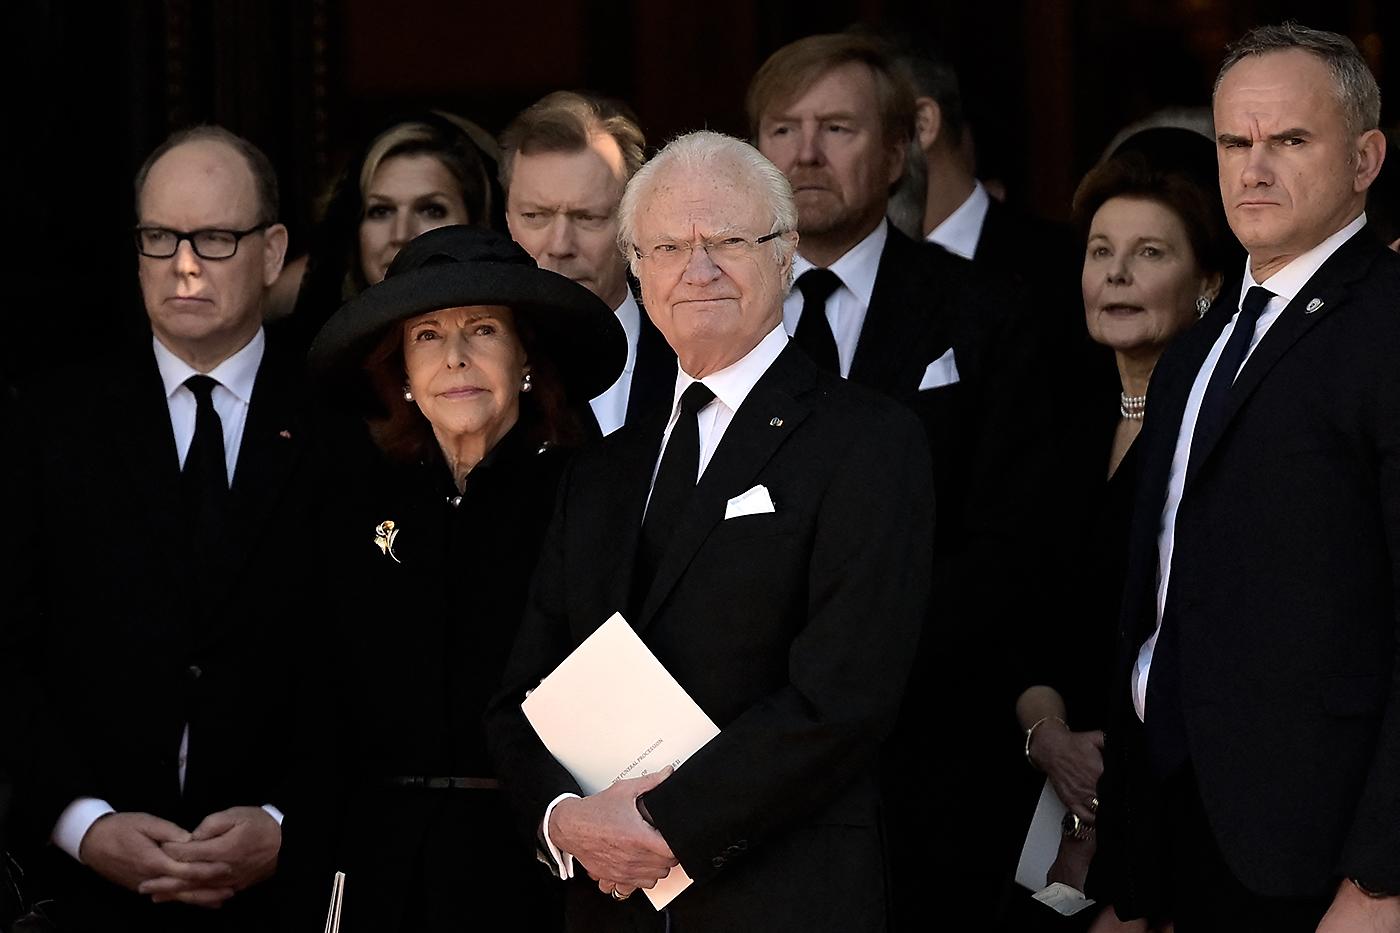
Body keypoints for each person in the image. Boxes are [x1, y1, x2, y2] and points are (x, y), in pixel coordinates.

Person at [485, 130, 934, 932]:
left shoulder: (870, 442)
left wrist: (662, 823)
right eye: (667, 246)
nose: (697, 269)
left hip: (785, 898)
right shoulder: (598, 473)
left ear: (786, 252)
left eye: (726, 240)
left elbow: (844, 696)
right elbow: (523, 693)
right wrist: (562, 818)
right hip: (608, 903)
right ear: (637, 271)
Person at [1095, 23, 1400, 931]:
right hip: (1180, 834)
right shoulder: (1199, 348)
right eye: (1236, 142)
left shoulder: (1385, 328)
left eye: (1291, 140)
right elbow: (1158, 608)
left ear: (1365, 158)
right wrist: (1128, 871)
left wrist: (1382, 877)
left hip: (1323, 856)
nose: (1254, 168)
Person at [747, 32, 1055, 918]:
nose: (804, 153)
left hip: (929, 765)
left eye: (836, 127)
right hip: (739, 771)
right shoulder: (699, 318)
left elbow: (1011, 542)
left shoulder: (987, 312)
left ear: (897, 150)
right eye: (782, 129)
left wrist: (850, 660)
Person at [0, 125, 318, 931]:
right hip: (82, 893)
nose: (183, 264)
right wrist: (81, 823)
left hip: (288, 894)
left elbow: (373, 665)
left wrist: (287, 822)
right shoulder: (49, 424)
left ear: (272, 250)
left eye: (214, 238)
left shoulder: (344, 426)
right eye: (158, 237)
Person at [276, 225, 626, 931]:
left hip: (536, 874)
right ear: (400, 369)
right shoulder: (353, 510)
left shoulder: (588, 500)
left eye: (484, 329)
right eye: (428, 335)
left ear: (526, 353)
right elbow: (317, 719)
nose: (456, 357)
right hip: (380, 876)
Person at [1005, 138, 1234, 932]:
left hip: (1177, 824)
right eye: (1101, 251)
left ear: (1207, 284)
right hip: (1043, 809)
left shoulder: (1219, 440)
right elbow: (1023, 615)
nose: (1118, 273)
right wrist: (1047, 734)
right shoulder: (1060, 431)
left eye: (1149, 253)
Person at [499, 90, 674, 436]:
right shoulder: (475, 378)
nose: (560, 245)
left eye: (588, 217)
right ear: (507, 220)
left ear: (635, 224)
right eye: (535, 216)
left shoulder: (694, 359)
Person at [271, 112, 500, 325]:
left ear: (477, 223)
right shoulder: (304, 359)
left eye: (431, 210)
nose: (401, 235)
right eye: (381, 211)